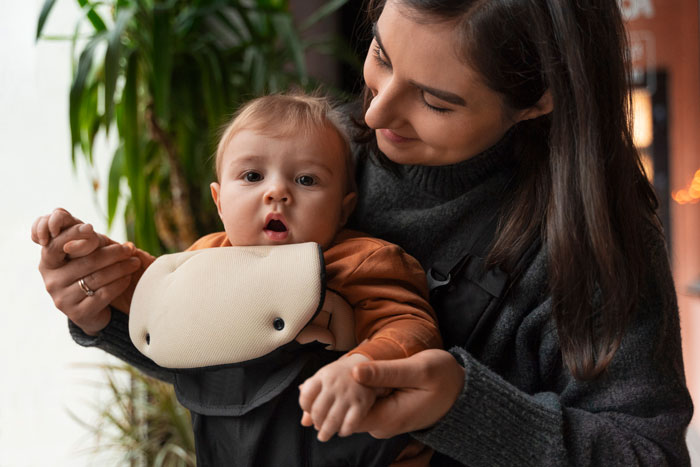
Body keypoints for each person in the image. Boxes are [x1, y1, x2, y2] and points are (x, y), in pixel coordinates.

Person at [34, 0, 694, 465]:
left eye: (436, 101)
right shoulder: (314, 155)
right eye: (380, 52)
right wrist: (110, 306)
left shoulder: (593, 244)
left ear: (538, 98)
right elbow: (245, 359)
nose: (374, 110)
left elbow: (646, 453)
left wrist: (462, 406)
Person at [33, 93, 442, 466]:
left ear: (342, 208)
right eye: (251, 177)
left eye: (306, 180)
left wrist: (363, 366)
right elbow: (151, 291)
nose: (277, 192)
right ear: (219, 201)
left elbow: (410, 329)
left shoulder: (361, 260)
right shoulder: (206, 259)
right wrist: (92, 254)